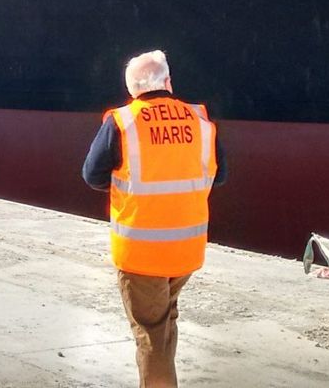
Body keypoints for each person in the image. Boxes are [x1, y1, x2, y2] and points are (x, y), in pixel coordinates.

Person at [82, 50, 223, 388]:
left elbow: (92, 174)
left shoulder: (123, 122)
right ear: (168, 82)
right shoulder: (200, 121)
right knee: (163, 323)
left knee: (149, 335)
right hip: (186, 251)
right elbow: (219, 174)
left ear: (132, 89)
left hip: (142, 253)